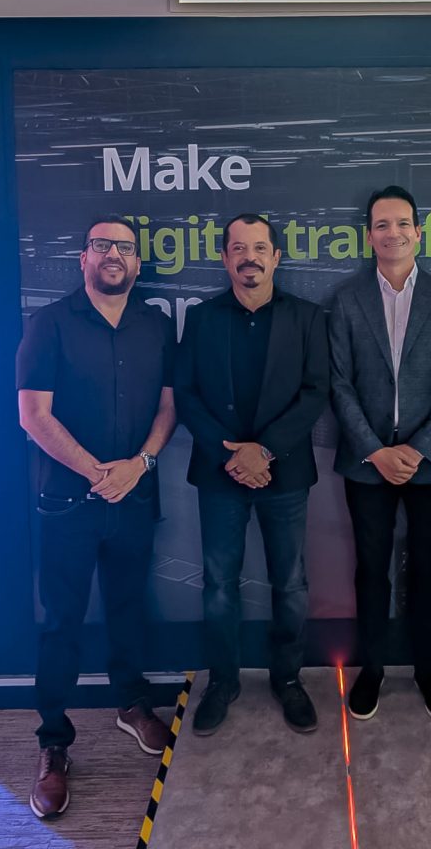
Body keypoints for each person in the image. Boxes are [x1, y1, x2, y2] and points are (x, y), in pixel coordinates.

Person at [16, 214, 177, 819]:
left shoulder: (155, 326)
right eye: (102, 245)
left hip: (134, 496)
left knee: (130, 607)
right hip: (68, 503)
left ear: (137, 262)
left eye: (125, 248)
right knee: (62, 622)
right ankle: (54, 743)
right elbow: (33, 416)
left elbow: (168, 407)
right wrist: (97, 472)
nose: (114, 254)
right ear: (83, 257)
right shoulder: (50, 323)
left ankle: (131, 704)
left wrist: (140, 464)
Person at [174, 213, 329, 736]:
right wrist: (233, 457)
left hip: (284, 474)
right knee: (219, 585)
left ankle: (288, 679)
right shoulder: (201, 318)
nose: (249, 257)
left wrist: (263, 451)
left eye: (259, 248)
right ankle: (223, 682)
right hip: (220, 475)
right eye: (238, 248)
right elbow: (186, 394)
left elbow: (316, 392)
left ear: (276, 257)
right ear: (224, 258)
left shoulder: (307, 318)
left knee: (291, 583)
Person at [328, 186, 431, 723]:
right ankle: (372, 667)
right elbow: (338, 383)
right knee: (371, 569)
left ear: (418, 231)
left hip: (429, 463)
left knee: (427, 569)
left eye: (402, 223)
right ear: (369, 235)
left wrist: (417, 448)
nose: (393, 233)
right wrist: (375, 450)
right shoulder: (346, 299)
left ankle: (424, 667)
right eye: (382, 224)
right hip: (366, 463)